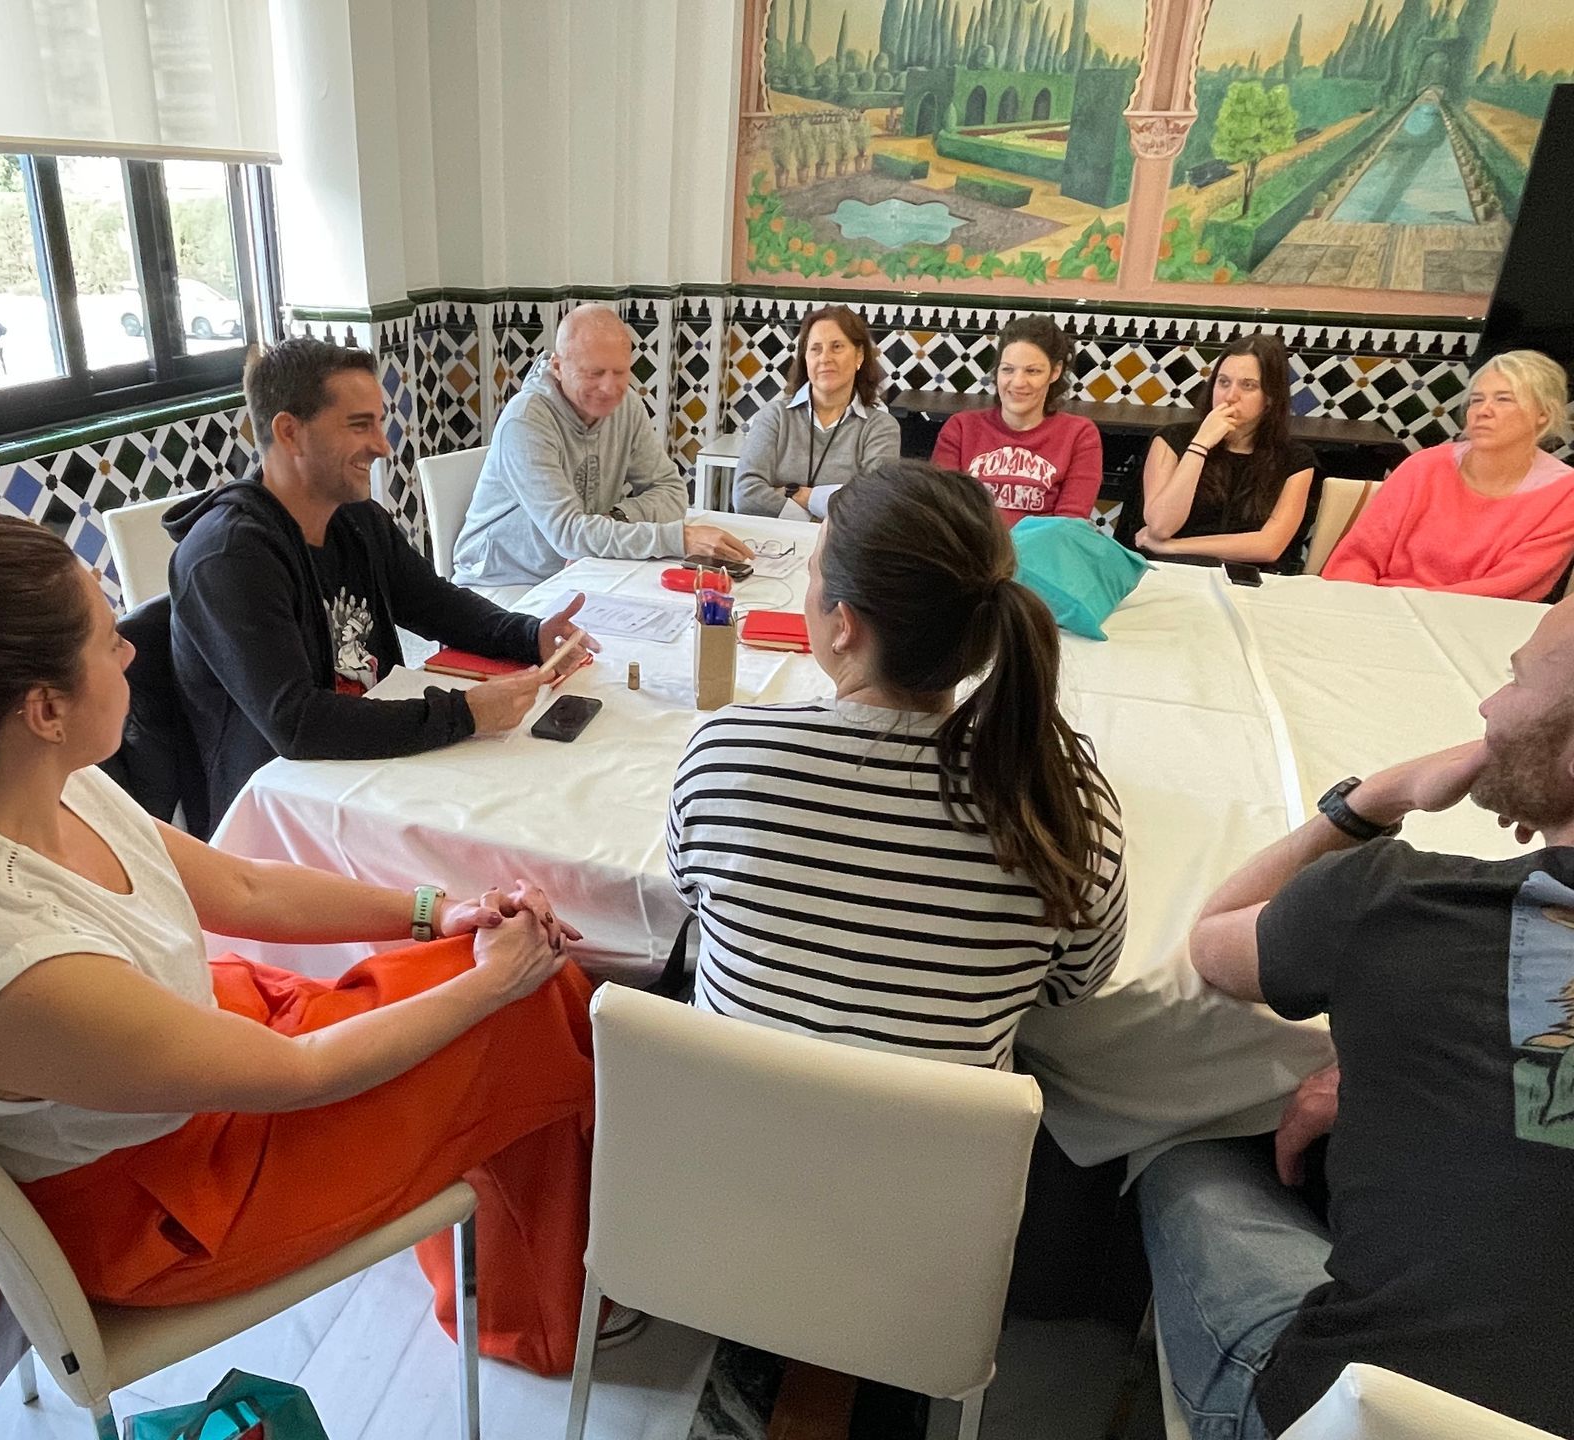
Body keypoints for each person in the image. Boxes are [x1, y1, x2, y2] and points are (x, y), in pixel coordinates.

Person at [0, 515, 614, 1375]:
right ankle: (540, 1313)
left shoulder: (35, 783)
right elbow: (302, 1074)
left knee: (502, 962)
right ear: (44, 709)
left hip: (203, 1069)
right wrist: (494, 985)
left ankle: (521, 1266)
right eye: (107, 639)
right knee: (535, 1000)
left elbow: (244, 887)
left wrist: (440, 912)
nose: (130, 651)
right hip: (176, 1206)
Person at [1136, 597, 1574, 1438]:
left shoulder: (1399, 903)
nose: (1488, 705)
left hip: (1345, 1415)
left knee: (1184, 1156)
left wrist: (1375, 798)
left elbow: (1214, 939)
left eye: (1516, 680)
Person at [667, 461, 1127, 1066]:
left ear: (844, 625)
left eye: (813, 572)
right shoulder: (1067, 800)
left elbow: (693, 898)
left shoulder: (723, 756)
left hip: (723, 1119)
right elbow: (1073, 987)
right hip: (950, 1128)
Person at [166, 338, 596, 830]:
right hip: (284, 813)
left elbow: (434, 603)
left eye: (378, 422)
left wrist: (528, 634)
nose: (382, 445)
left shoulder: (355, 518)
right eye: (359, 425)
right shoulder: (228, 557)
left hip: (374, 776)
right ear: (290, 433)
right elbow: (297, 724)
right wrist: (464, 714)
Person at [451, 304, 751, 587]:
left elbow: (672, 492)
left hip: (587, 566)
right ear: (557, 367)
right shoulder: (526, 421)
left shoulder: (627, 405)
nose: (609, 388)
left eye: (619, 372)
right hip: (503, 580)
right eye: (593, 373)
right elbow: (568, 534)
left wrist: (616, 517)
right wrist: (679, 539)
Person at [1322, 349, 1574, 600]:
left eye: (1503, 399)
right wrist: (1364, 604)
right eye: (1476, 400)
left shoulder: (1565, 494)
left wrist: (1410, 605)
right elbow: (1358, 557)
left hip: (1481, 616)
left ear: (1544, 413)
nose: (1483, 411)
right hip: (1380, 605)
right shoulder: (1423, 467)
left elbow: (1508, 586)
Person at [1133, 334, 1319, 573]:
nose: (1230, 396)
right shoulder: (1171, 439)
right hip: (1173, 572)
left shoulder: (1296, 459)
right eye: (1223, 382)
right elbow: (1160, 527)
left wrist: (1172, 546)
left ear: (1270, 397)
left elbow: (1269, 546)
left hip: (1252, 578)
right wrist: (1200, 445)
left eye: (1248, 385)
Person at [731, 304, 901, 520]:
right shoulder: (775, 417)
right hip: (772, 538)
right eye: (815, 349)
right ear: (805, 358)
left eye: (837, 347)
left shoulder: (880, 427)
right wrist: (814, 520)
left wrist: (799, 495)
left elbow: (875, 505)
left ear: (859, 355)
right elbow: (745, 496)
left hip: (843, 542)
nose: (825, 358)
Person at [933, 314, 1102, 525]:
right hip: (973, 544)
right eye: (1008, 369)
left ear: (1055, 371)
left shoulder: (1080, 434)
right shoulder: (960, 428)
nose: (1018, 382)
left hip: (1044, 545)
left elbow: (1068, 524)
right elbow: (944, 511)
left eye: (1032, 371)